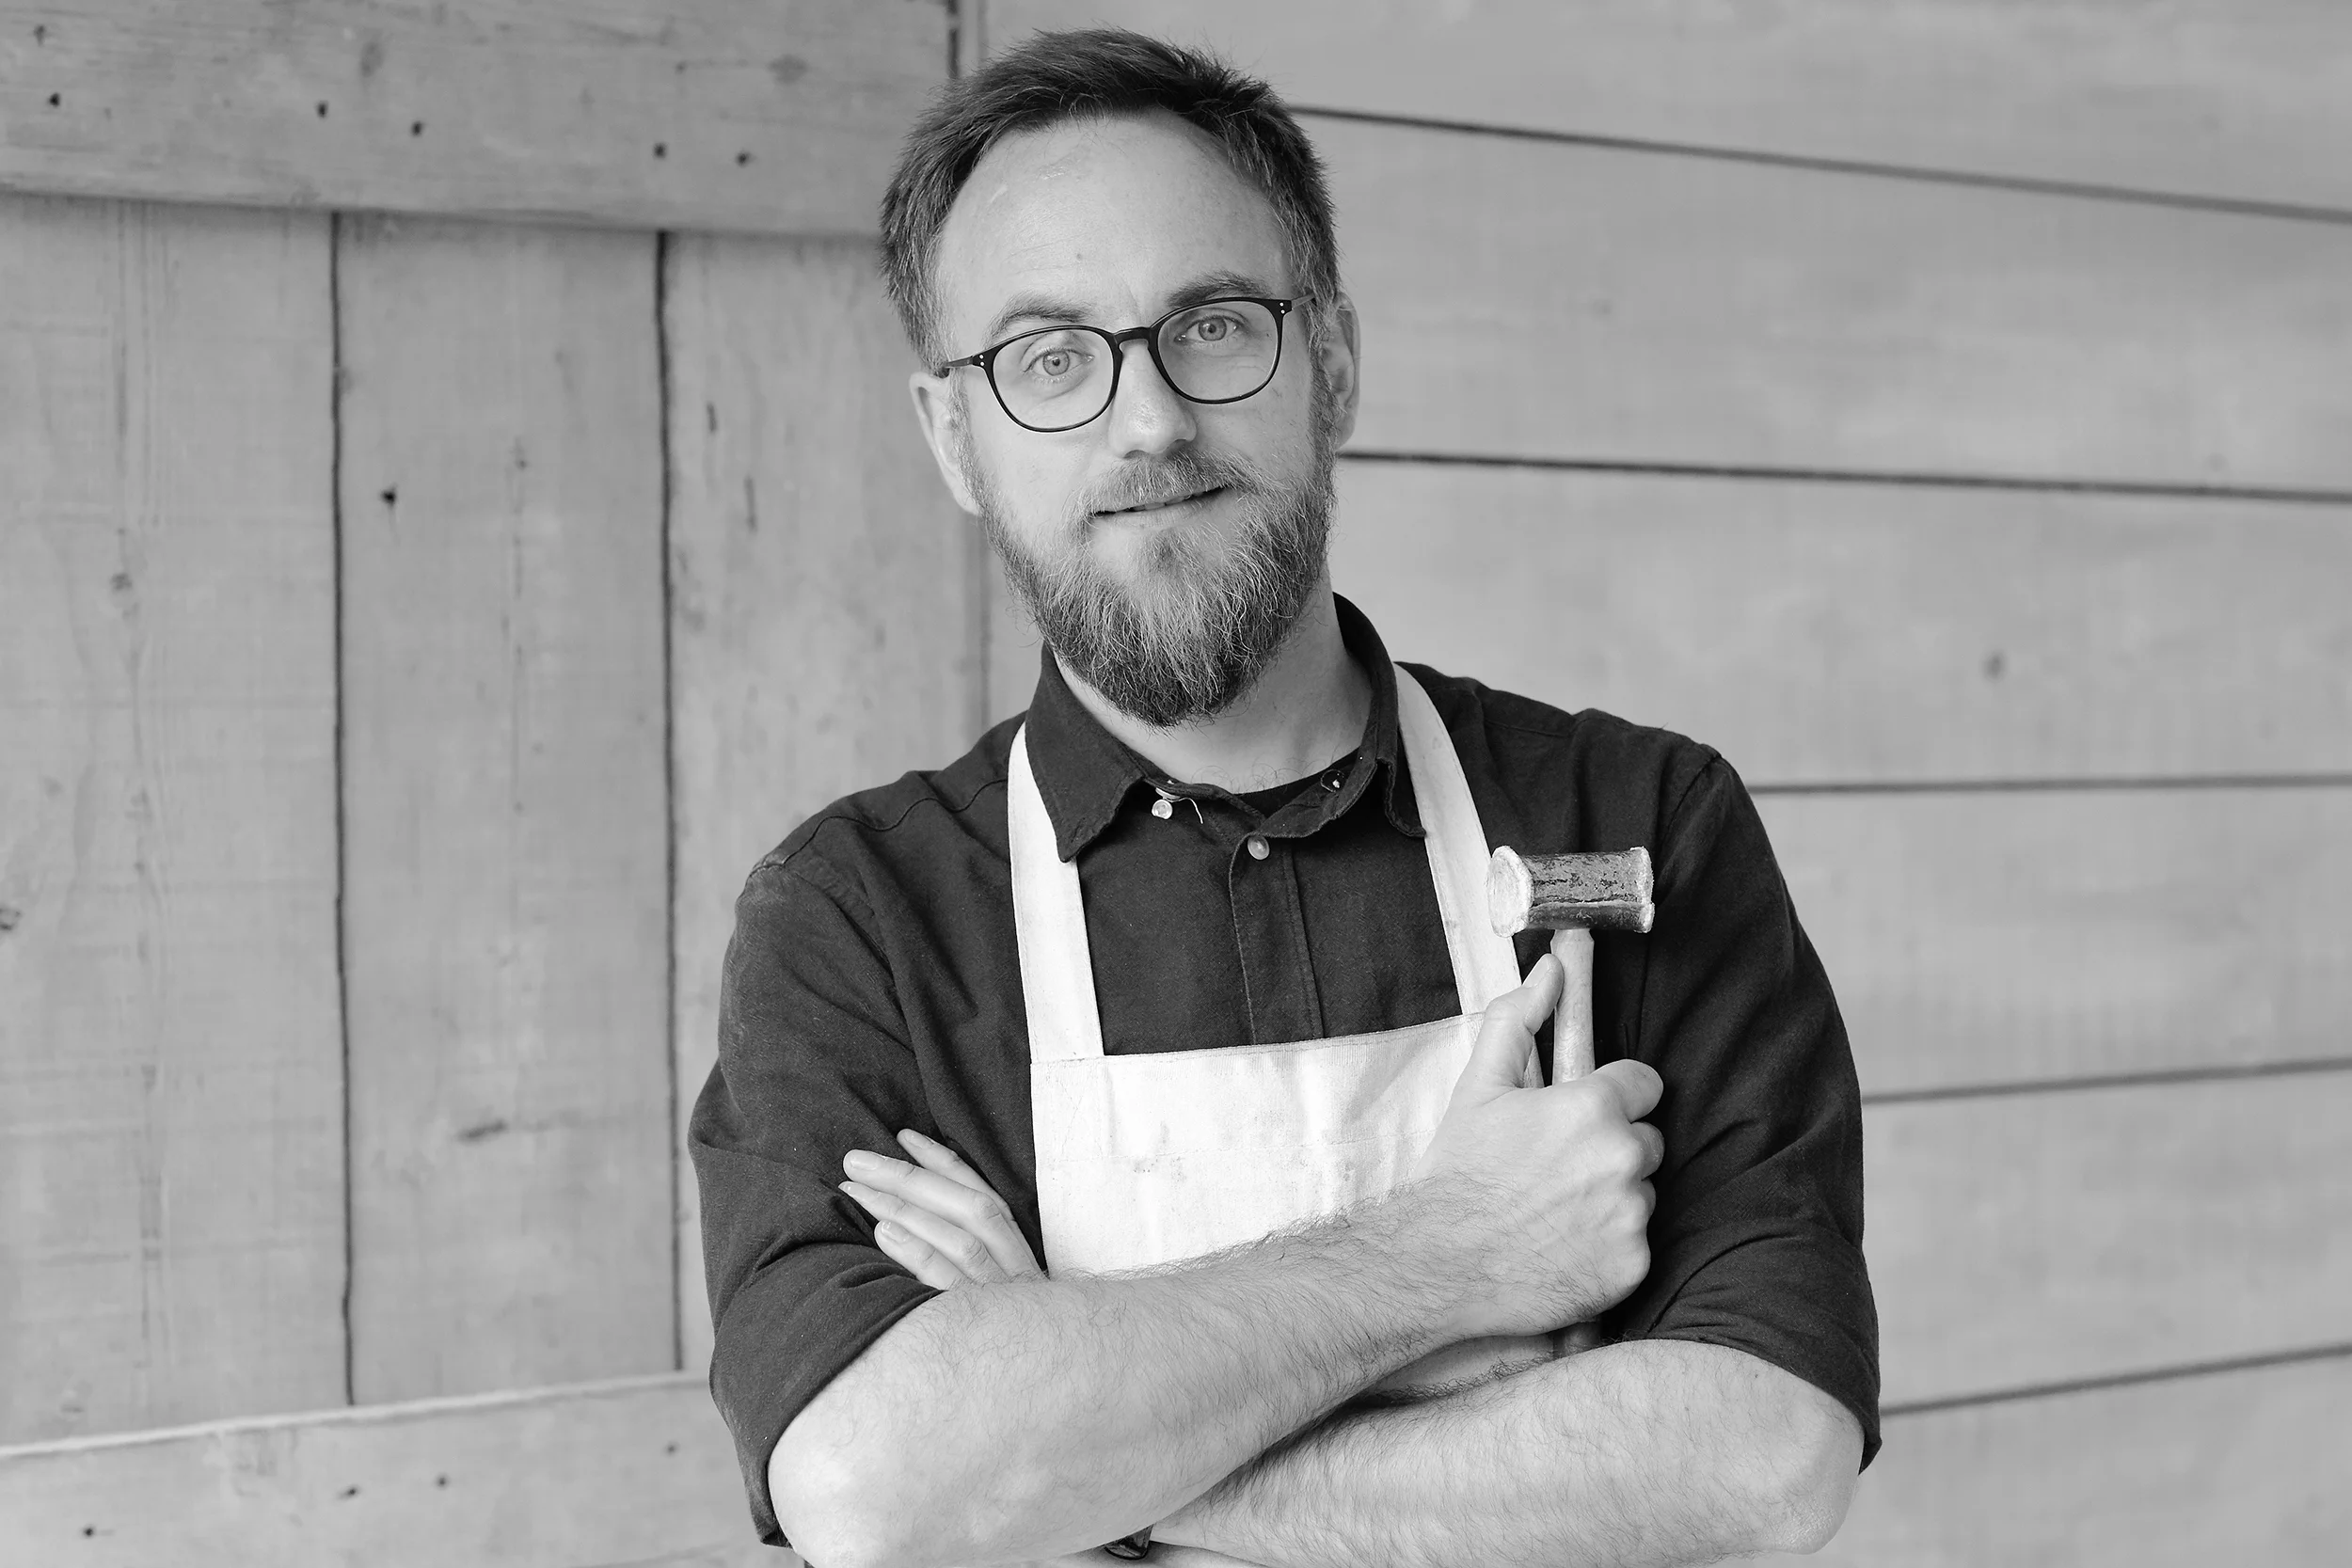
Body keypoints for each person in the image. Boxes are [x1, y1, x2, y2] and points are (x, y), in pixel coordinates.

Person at [691, 28, 1877, 1568]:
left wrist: (1080, 1441)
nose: (1147, 422)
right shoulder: (858, 924)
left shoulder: (1637, 817)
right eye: (1049, 359)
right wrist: (1454, 1252)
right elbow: (874, 1488)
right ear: (954, 439)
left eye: (1213, 326)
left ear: (1335, 365)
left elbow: (1764, 1453)